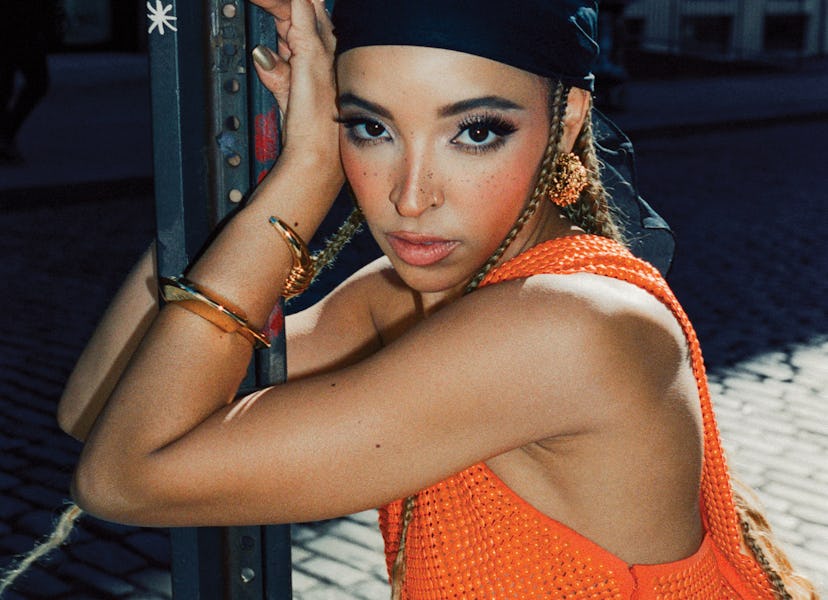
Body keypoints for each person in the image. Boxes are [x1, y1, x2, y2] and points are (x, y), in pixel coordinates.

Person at [47, 0, 815, 598]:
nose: (411, 197)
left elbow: (125, 476)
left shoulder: (571, 325)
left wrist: (307, 182)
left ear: (567, 118)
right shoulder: (403, 301)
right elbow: (102, 406)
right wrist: (291, 160)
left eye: (475, 132)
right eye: (369, 127)